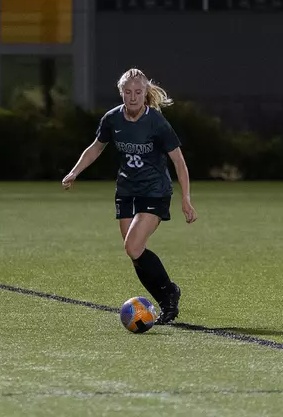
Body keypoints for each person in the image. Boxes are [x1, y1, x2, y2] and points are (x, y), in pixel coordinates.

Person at [62, 68, 197, 325]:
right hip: (126, 191)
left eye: (138, 92)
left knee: (133, 246)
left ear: (145, 93)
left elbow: (179, 161)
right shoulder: (112, 119)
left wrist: (185, 198)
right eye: (128, 92)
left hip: (155, 191)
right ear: (121, 93)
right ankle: (165, 299)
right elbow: (96, 148)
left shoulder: (156, 121)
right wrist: (74, 172)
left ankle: (168, 295)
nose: (133, 97)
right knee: (135, 253)